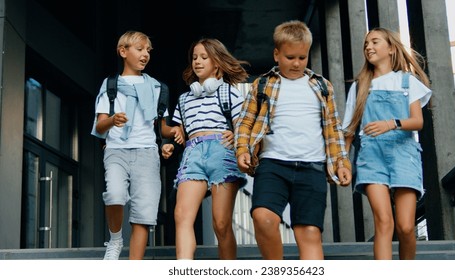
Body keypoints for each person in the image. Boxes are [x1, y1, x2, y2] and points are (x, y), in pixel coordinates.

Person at [235, 20, 352, 260]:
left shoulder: (321, 86)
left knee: (309, 232)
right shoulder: (263, 84)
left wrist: (342, 162)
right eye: (290, 57)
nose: (297, 63)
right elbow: (245, 122)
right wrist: (242, 149)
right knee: (263, 217)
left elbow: (333, 127)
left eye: (302, 57)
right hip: (273, 164)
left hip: (312, 167)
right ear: (276, 54)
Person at [342, 27, 432, 260]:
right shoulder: (360, 85)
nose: (368, 47)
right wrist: (343, 161)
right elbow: (349, 131)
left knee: (405, 227)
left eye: (374, 42)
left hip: (404, 152)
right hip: (371, 154)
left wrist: (390, 123)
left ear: (391, 48)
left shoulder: (407, 81)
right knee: (383, 222)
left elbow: (417, 121)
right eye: (365, 44)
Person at [91, 30, 182, 260]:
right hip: (116, 150)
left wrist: (174, 131)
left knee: (143, 212)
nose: (145, 55)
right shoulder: (110, 85)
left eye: (148, 51)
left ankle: (135, 268)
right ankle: (115, 240)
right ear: (123, 51)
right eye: (139, 49)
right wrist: (113, 120)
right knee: (114, 194)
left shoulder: (157, 88)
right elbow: (100, 127)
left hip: (147, 152)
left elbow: (161, 127)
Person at [161, 38, 249, 260]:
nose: (197, 62)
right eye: (194, 57)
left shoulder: (230, 93)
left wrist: (237, 135)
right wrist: (172, 141)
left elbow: (244, 126)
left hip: (223, 152)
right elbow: (180, 130)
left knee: (220, 223)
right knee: (181, 215)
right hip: (193, 154)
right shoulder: (184, 99)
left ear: (217, 63)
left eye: (203, 57)